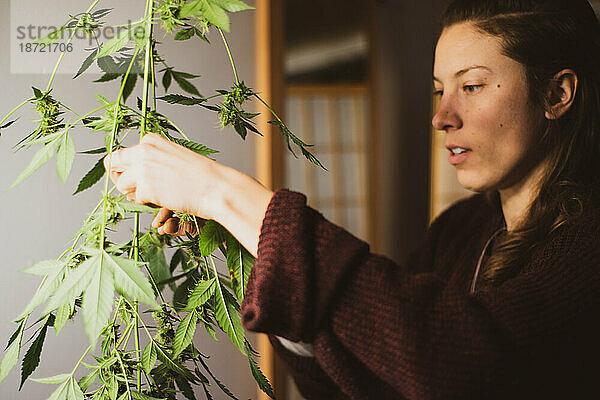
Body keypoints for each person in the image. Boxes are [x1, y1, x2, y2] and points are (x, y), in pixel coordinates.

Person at [103, 0, 600, 398]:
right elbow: (370, 382)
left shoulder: (588, 246)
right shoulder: (459, 229)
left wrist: (227, 195)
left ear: (557, 94)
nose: (442, 116)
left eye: (471, 86)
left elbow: (459, 366)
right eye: (438, 91)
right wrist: (257, 247)